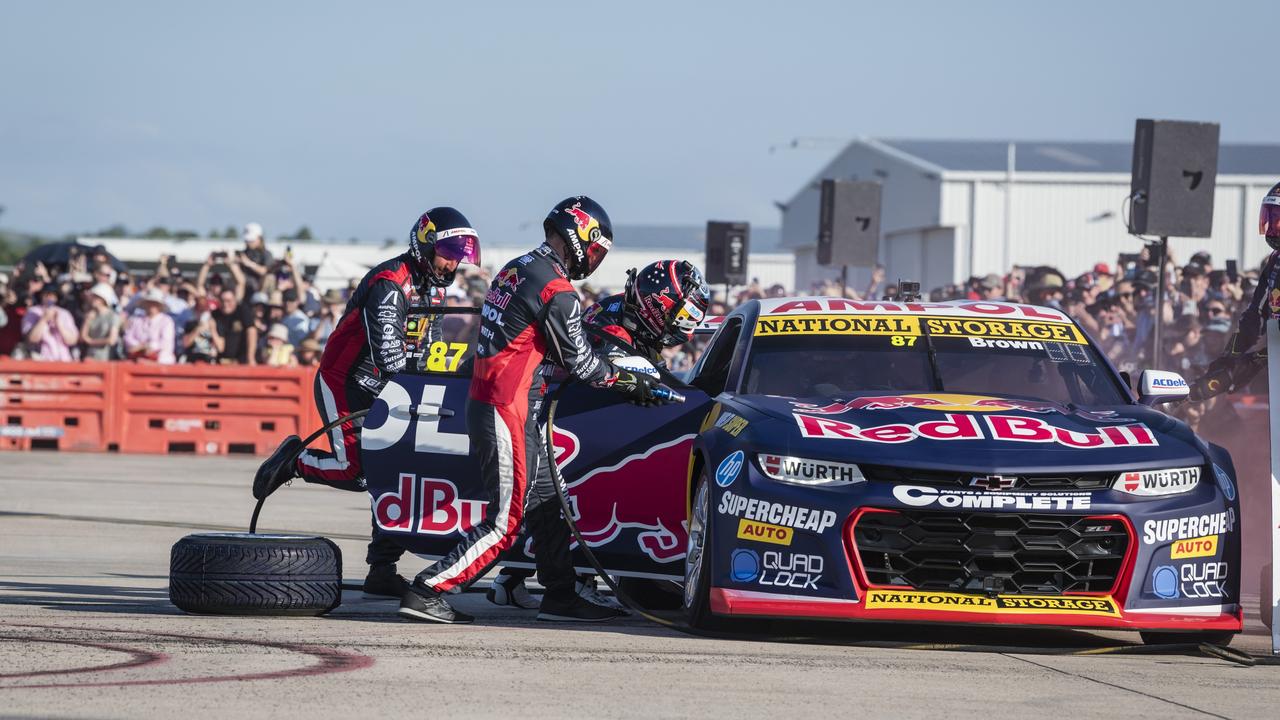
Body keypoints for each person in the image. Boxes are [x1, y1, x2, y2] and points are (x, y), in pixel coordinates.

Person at [398, 196, 672, 625]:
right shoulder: (557, 290)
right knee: (506, 523)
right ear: (580, 237)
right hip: (505, 408)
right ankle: (429, 588)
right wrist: (632, 382)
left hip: (504, 403)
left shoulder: (517, 266)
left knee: (549, 501)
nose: (596, 261)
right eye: (597, 250)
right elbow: (582, 364)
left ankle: (559, 593)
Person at [252, 207, 480, 598]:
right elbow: (389, 357)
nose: (453, 261)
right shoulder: (389, 283)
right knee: (358, 474)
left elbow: (431, 347)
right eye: (448, 251)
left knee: (399, 470)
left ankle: (381, 568)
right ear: (424, 245)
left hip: (392, 387)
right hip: (345, 381)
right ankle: (296, 461)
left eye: (460, 254)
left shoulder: (436, 286)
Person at [487, 259, 710, 611]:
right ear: (659, 307)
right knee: (579, 497)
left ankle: (510, 579)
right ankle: (576, 581)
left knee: (548, 501)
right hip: (563, 420)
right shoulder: (615, 336)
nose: (687, 328)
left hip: (558, 416)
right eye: (683, 316)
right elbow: (645, 386)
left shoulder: (621, 308)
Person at [22, 286, 79, 361]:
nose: (49, 298)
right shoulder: (33, 312)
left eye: (52, 295)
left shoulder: (64, 313)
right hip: (40, 360)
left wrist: (58, 324)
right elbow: (32, 339)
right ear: (41, 296)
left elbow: (72, 341)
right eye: (46, 295)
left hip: (64, 360)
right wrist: (44, 319)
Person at [123, 288, 177, 364]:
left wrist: (150, 346)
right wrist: (140, 347)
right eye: (149, 303)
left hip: (160, 361)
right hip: (137, 358)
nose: (152, 306)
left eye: (155, 304)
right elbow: (128, 337)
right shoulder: (136, 320)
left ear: (160, 306)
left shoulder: (167, 321)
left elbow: (166, 342)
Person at [80, 283, 122, 361]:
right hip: (90, 356)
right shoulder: (90, 315)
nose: (92, 299)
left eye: (95, 297)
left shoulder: (113, 316)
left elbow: (112, 340)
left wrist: (91, 341)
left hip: (106, 358)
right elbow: (82, 338)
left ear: (103, 299)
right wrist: (87, 320)